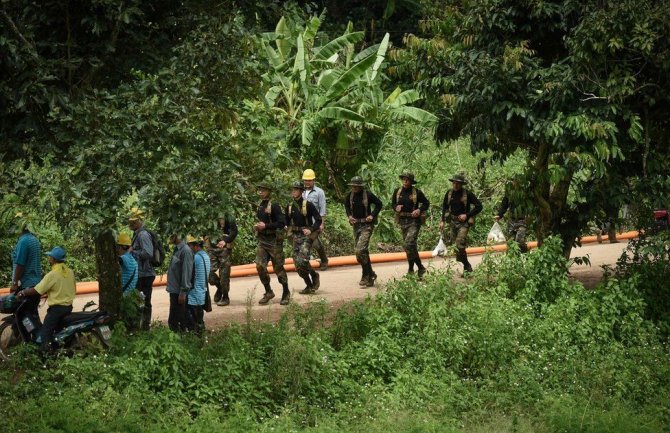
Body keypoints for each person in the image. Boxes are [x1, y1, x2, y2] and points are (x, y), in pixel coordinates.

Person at [17, 247, 75, 353]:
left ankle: (45, 357)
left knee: (45, 333)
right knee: (55, 329)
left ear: (53, 259)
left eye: (50, 256)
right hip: (68, 307)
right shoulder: (70, 272)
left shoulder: (52, 275)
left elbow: (38, 289)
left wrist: (23, 292)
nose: (48, 258)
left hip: (57, 310)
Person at [254, 182, 290, 305]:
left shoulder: (274, 205)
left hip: (274, 241)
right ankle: (268, 291)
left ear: (269, 191)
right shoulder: (260, 205)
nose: (261, 192)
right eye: (260, 190)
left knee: (278, 268)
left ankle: (286, 292)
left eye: (263, 190)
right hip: (262, 241)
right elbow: (262, 221)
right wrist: (258, 226)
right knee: (259, 266)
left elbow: (281, 223)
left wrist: (266, 226)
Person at [440, 174, 483, 275]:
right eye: (454, 183)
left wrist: (467, 215)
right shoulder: (449, 193)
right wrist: (442, 220)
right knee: (456, 246)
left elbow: (479, 206)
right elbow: (444, 207)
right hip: (452, 222)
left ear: (461, 184)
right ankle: (466, 265)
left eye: (458, 183)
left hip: (463, 223)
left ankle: (467, 266)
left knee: (459, 243)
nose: (455, 185)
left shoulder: (467, 194)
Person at [344, 176, 383, 287]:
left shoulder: (368, 195)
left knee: (361, 250)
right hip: (356, 225)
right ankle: (370, 274)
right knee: (359, 254)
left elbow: (379, 204)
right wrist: (349, 216)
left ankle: (366, 275)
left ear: (361, 186)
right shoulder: (349, 195)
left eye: (356, 186)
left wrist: (372, 215)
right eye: (353, 186)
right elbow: (346, 206)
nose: (354, 188)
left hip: (366, 225)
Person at [286, 181, 322, 296]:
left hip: (306, 237)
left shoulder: (308, 204)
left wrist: (311, 229)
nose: (294, 191)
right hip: (295, 237)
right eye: (293, 189)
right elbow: (285, 221)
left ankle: (313, 277)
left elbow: (318, 220)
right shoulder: (289, 206)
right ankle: (309, 283)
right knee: (298, 265)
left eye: (296, 189)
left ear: (301, 191)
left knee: (302, 260)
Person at [391, 172, 430, 278]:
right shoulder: (397, 191)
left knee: (408, 244)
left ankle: (412, 269)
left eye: (407, 180)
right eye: (403, 179)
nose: (405, 181)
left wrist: (419, 209)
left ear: (411, 182)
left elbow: (426, 203)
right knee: (410, 246)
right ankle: (417, 268)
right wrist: (396, 208)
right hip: (402, 221)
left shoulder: (417, 192)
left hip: (414, 221)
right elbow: (393, 204)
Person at [10, 215, 42, 326]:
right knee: (32, 315)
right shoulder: (34, 239)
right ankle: (36, 339)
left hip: (27, 284)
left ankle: (33, 340)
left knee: (26, 316)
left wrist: (14, 283)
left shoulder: (23, 242)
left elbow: (20, 264)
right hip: (36, 283)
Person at [128, 208, 156, 330]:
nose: (131, 224)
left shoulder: (143, 235)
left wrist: (133, 252)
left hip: (145, 275)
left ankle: (145, 328)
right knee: (138, 302)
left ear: (139, 221)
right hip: (140, 274)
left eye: (133, 222)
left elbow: (148, 253)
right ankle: (140, 328)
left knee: (144, 303)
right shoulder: (137, 234)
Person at [206, 213, 237, 306]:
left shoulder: (228, 215)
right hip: (212, 248)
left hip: (224, 249)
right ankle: (219, 287)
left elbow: (234, 231)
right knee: (208, 274)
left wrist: (225, 240)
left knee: (224, 275)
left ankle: (225, 297)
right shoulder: (208, 213)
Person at [166, 234, 194, 333]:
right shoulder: (177, 250)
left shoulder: (185, 251)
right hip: (174, 290)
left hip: (179, 293)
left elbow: (186, 272)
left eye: (172, 235)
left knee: (179, 320)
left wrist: (183, 292)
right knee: (173, 320)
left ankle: (183, 339)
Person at [302, 169, 329, 271]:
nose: (307, 182)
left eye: (309, 180)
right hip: (304, 223)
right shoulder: (301, 191)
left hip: (315, 223)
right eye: (305, 180)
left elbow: (322, 208)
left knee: (313, 243)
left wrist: (322, 223)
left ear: (313, 180)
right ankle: (322, 260)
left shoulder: (319, 192)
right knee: (314, 243)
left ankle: (323, 261)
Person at [117, 232, 141, 329]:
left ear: (122, 247)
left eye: (117, 246)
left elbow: (118, 260)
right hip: (131, 296)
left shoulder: (124, 258)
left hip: (124, 296)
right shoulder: (133, 260)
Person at [186, 236, 210, 334]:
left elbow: (189, 274)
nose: (189, 248)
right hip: (202, 293)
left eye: (190, 246)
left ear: (196, 246)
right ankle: (201, 338)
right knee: (200, 319)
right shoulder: (206, 256)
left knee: (194, 322)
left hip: (194, 294)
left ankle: (197, 340)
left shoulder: (195, 258)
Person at [495, 188, 529, 253]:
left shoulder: (526, 191)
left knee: (520, 240)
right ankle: (512, 259)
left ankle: (525, 255)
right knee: (510, 241)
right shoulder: (509, 192)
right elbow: (504, 205)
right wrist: (499, 215)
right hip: (511, 220)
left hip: (522, 220)